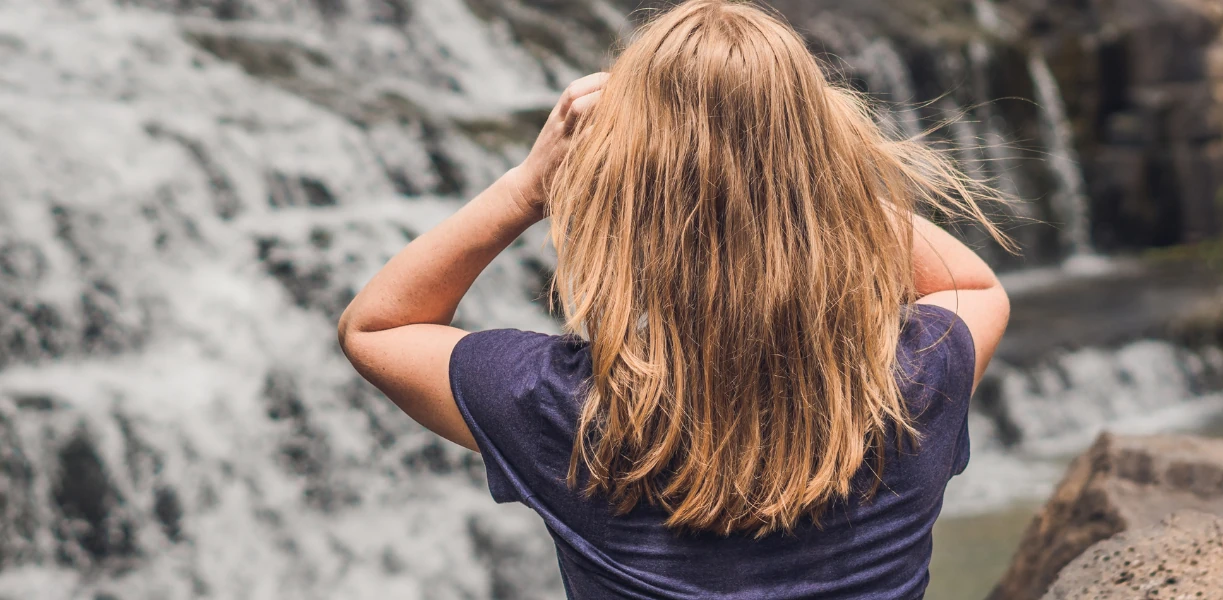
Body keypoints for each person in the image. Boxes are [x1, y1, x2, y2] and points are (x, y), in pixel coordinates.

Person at [338, 1, 1011, 597]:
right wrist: (806, 163)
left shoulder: (560, 410)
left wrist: (526, 188)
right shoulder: (918, 379)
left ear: (617, 195)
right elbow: (972, 285)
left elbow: (378, 327)